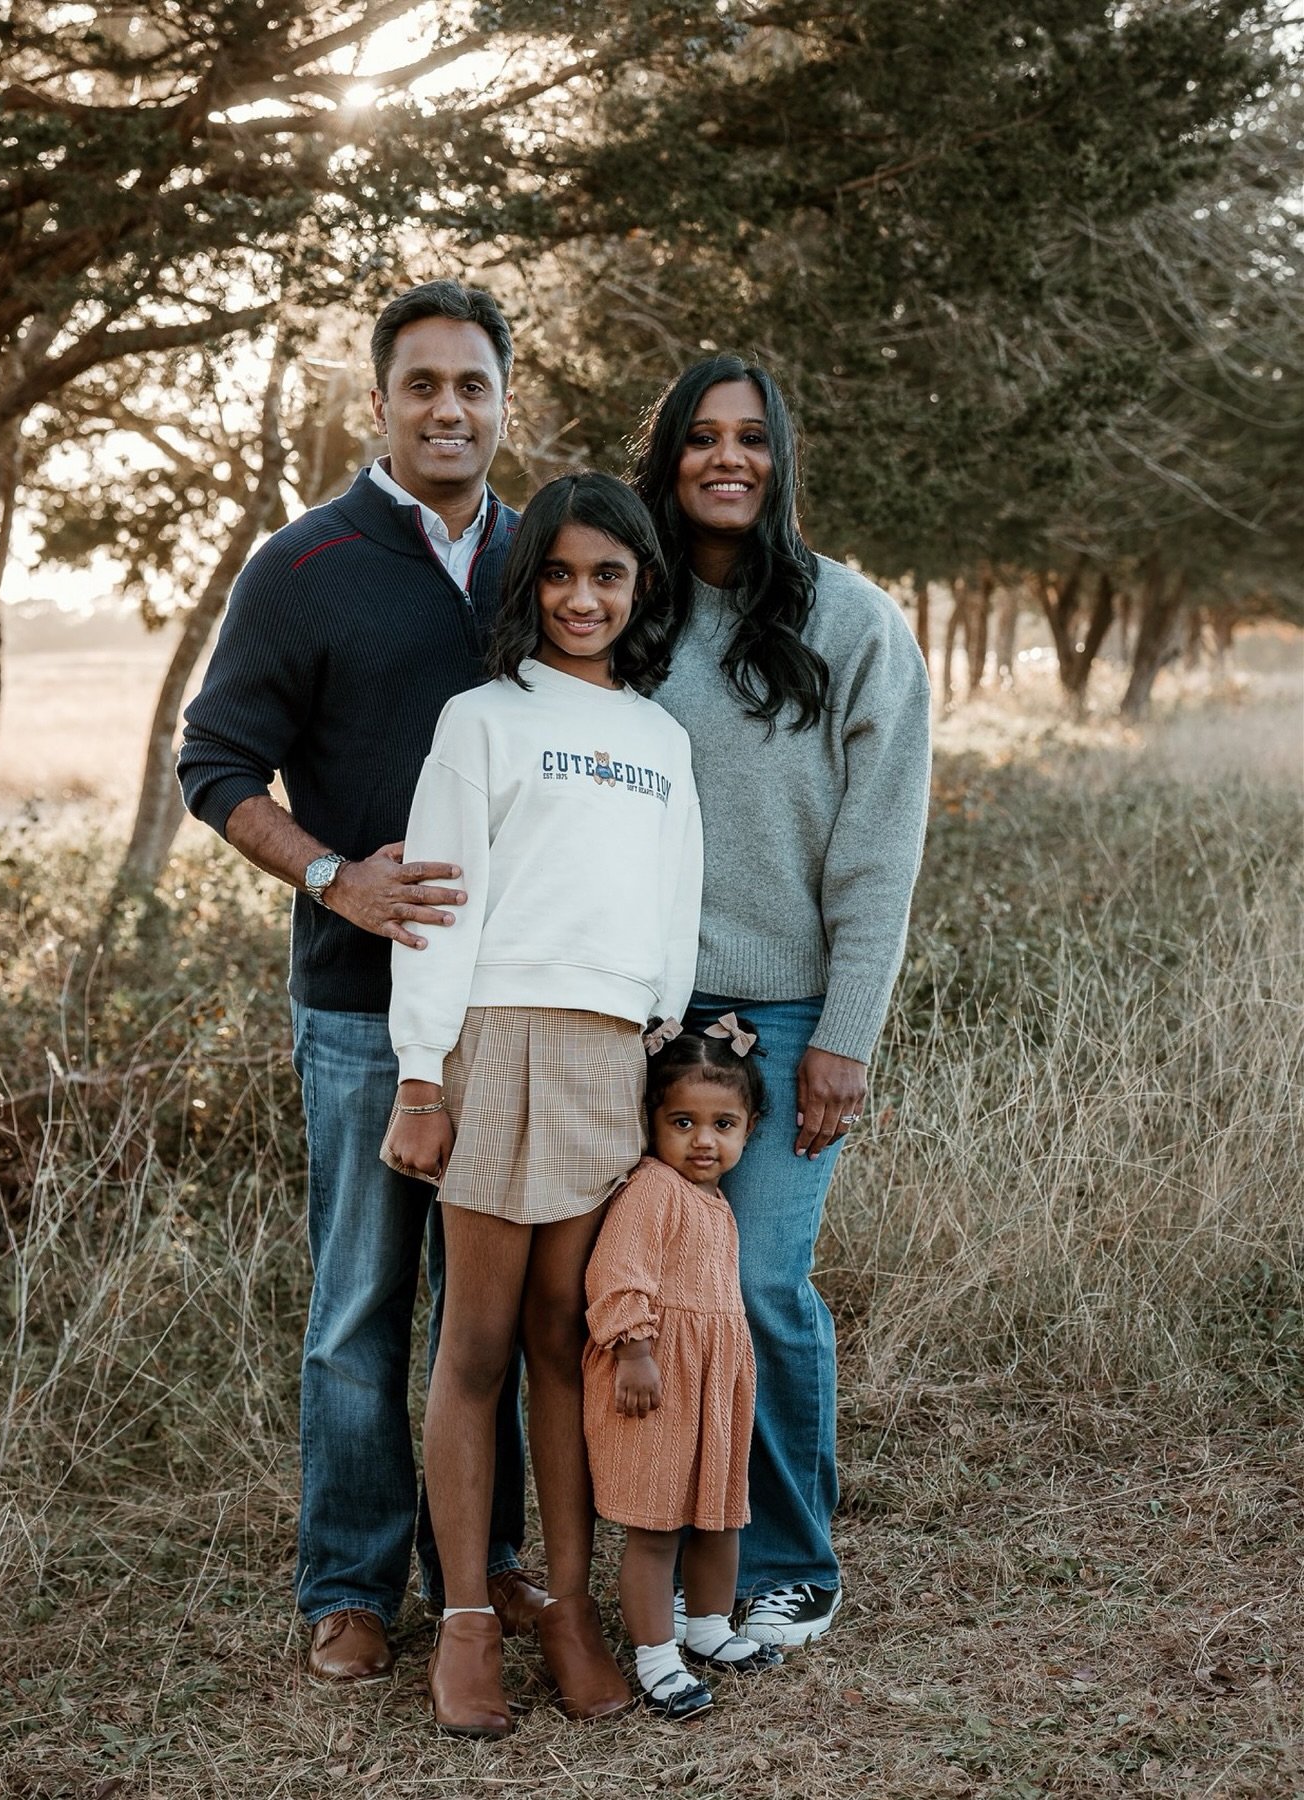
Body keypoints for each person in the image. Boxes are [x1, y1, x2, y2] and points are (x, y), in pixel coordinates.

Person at [177, 279, 544, 1685]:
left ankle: (486, 1567)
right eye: (423, 386)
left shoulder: (545, 557)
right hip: (356, 1002)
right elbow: (216, 767)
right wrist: (340, 877)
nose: (449, 409)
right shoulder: (304, 564)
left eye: (473, 387)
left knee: (494, 1305)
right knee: (360, 1302)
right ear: (378, 402)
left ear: (504, 403)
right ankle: (345, 1584)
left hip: (516, 1007)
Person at [382, 471, 703, 1737]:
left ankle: (568, 1609)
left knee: (570, 1337)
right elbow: (437, 902)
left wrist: (659, 1043)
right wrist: (422, 1074)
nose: (582, 597)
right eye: (560, 574)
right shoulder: (482, 719)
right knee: (476, 1340)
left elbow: (671, 906)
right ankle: (467, 1619)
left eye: (608, 575)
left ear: (640, 588)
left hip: (609, 1053)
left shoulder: (662, 739)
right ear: (531, 586)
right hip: (496, 1038)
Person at [630, 354, 932, 1646]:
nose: (727, 459)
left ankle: (792, 1556)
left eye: (751, 437)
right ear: (670, 457)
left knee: (758, 1286)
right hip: (642, 1011)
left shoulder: (854, 622)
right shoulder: (625, 614)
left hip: (793, 1012)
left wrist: (846, 1040)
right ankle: (669, 1560)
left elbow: (880, 848)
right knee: (637, 1289)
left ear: (782, 457)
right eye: (701, 436)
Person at [584, 1015, 783, 1719]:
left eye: (723, 1124)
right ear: (652, 1122)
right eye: (684, 1122)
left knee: (720, 1514)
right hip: (658, 1380)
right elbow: (616, 1276)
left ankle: (709, 1628)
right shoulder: (652, 1190)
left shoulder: (717, 1200)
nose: (704, 1140)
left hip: (714, 1383)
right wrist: (634, 1350)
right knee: (658, 1524)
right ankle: (656, 1657)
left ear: (748, 1128)